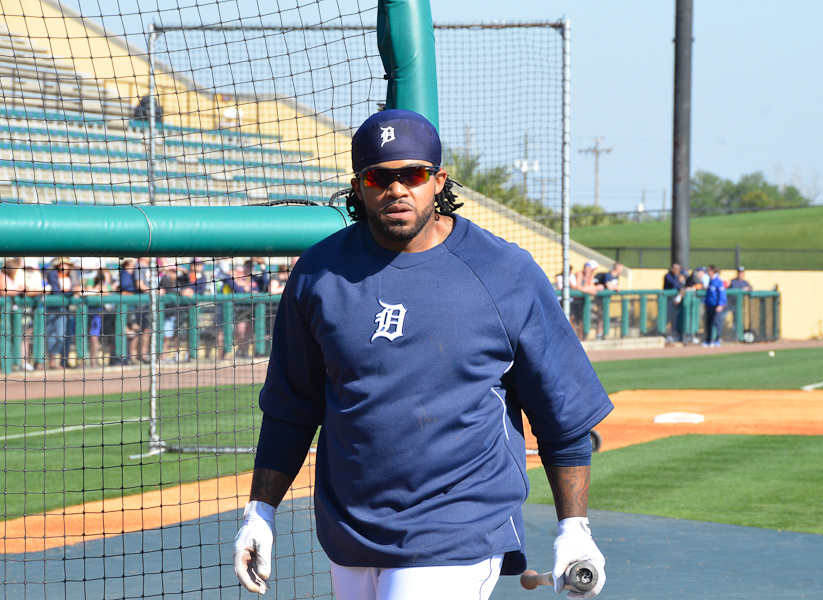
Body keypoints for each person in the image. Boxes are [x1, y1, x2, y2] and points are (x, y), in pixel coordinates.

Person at [233, 109, 612, 600]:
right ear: (359, 186)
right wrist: (259, 512)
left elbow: (563, 414)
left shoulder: (505, 272)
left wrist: (574, 528)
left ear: (438, 180)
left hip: (457, 525)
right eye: (379, 177)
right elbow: (291, 408)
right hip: (348, 532)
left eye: (413, 174)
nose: (397, 189)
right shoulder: (318, 274)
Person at [702, 265, 727, 348]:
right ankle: (709, 340)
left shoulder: (718, 281)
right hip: (709, 306)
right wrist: (706, 303)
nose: (708, 272)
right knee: (708, 323)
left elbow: (722, 294)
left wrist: (720, 305)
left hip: (716, 306)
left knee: (717, 323)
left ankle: (717, 339)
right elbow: (708, 294)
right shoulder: (710, 281)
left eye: (709, 270)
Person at [662, 263, 686, 342]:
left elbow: (683, 286)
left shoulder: (677, 276)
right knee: (666, 317)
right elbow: (674, 285)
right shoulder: (668, 276)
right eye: (677, 269)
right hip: (668, 300)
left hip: (675, 301)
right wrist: (680, 283)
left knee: (675, 317)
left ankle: (674, 334)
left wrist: (682, 282)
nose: (678, 271)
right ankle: (661, 333)